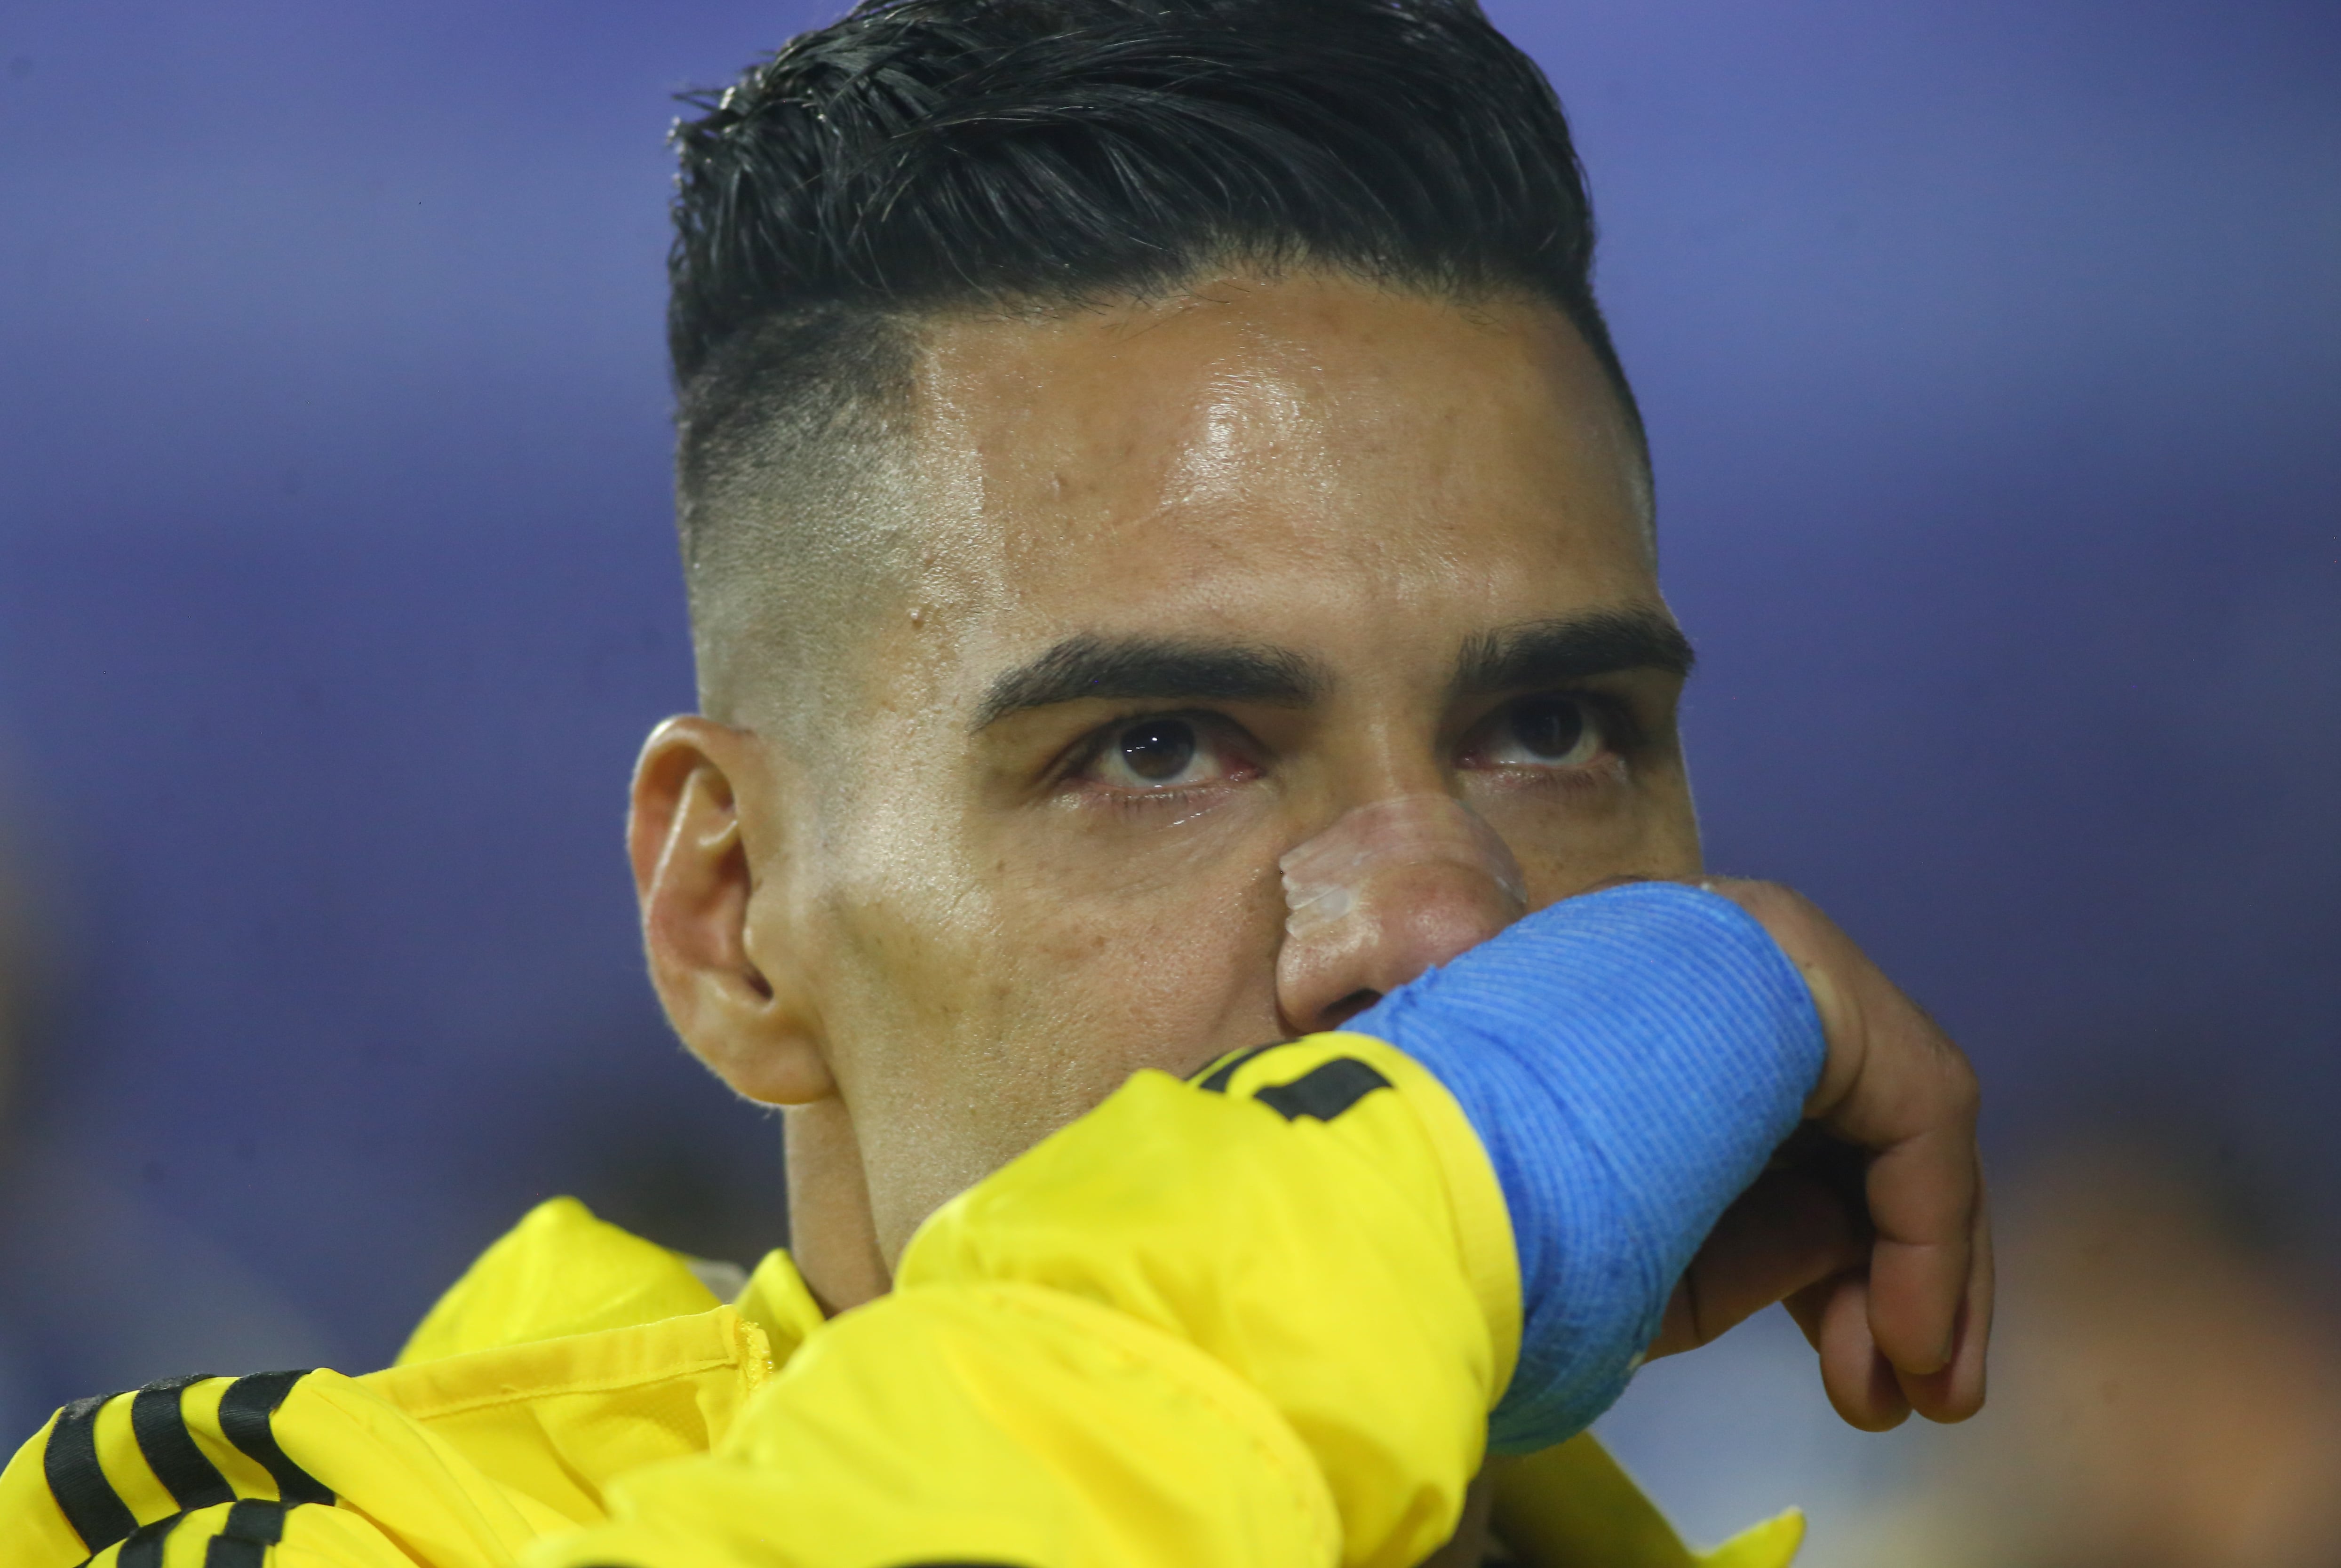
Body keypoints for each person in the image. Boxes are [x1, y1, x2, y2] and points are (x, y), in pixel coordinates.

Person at [0, 2, 1990, 1564]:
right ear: (732, 921)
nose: (1440, 920)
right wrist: (1489, 1153)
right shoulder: (289, 1532)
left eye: (1550, 733)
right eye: (1155, 752)